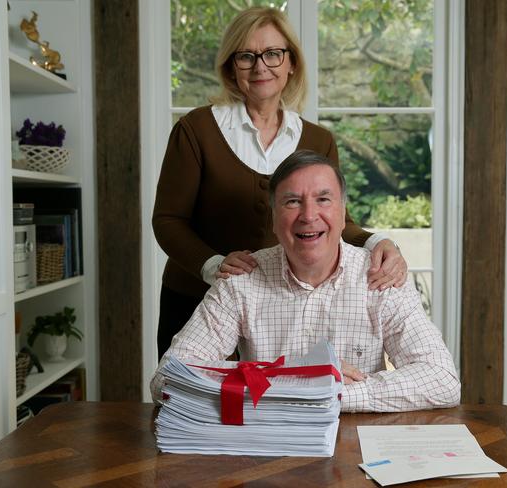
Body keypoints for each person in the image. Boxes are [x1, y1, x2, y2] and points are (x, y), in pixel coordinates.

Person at [152, 7, 409, 359]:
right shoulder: (196, 130)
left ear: (291, 64)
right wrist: (213, 265)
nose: (261, 67)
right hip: (196, 302)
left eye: (273, 54)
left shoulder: (319, 140)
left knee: (277, 405)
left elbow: (331, 220)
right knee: (195, 404)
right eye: (247, 56)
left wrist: (381, 242)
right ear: (231, 66)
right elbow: (168, 220)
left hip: (275, 313)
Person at [151, 150, 460, 412]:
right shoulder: (241, 280)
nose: (309, 215)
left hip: (358, 457)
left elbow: (442, 379)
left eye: (323, 199)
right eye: (292, 202)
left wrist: (338, 394)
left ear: (342, 214)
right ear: (273, 219)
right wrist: (290, 378)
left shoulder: (381, 276)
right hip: (267, 461)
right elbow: (167, 379)